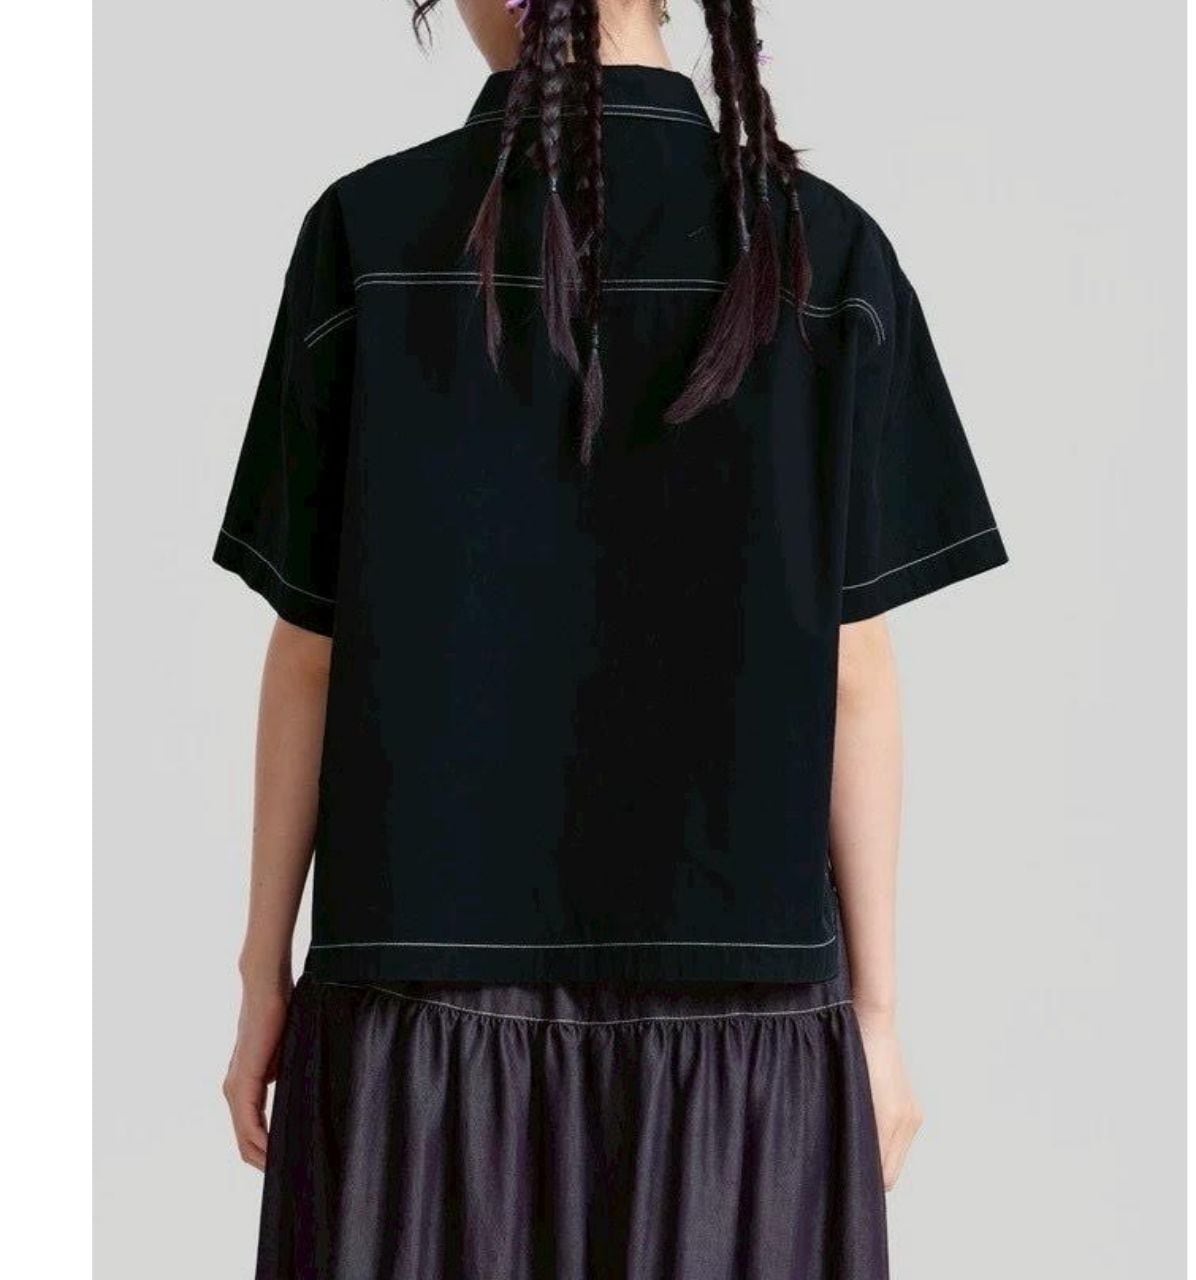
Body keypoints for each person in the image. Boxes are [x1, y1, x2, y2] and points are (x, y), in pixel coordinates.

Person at [214, 1, 1006, 1275]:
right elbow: (853, 671)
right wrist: (875, 1014)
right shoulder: (825, 252)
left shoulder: (368, 234)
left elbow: (309, 648)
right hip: (742, 1038)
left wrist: (263, 976)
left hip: (416, 1019)